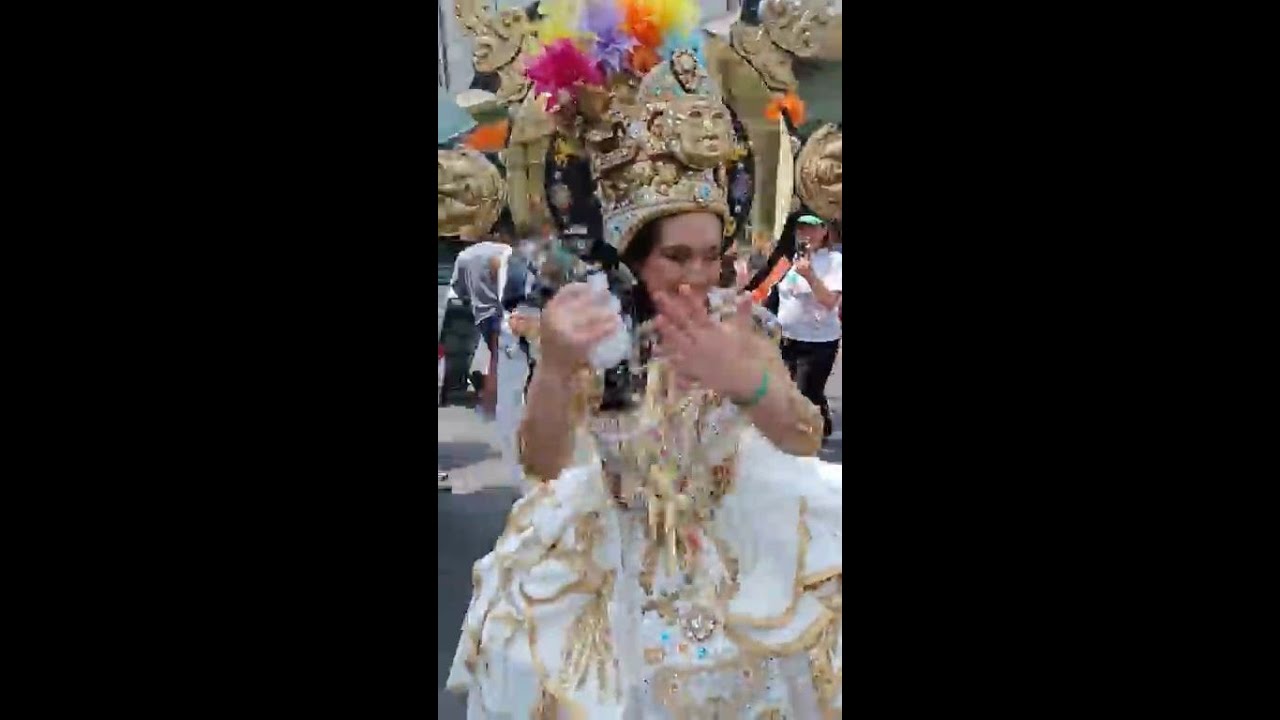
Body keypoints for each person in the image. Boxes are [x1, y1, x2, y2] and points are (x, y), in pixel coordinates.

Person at [446, 39, 842, 718]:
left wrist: (747, 382)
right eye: (676, 257)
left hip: (745, 537)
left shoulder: (737, 321)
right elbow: (543, 462)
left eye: (711, 255)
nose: (697, 275)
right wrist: (560, 368)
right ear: (632, 256)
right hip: (615, 548)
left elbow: (805, 437)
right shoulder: (593, 327)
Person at [777, 214, 843, 440]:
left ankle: (807, 440)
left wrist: (810, 275)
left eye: (813, 228)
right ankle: (819, 424)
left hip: (818, 342)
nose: (807, 234)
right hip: (787, 337)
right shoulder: (790, 259)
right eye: (802, 228)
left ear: (825, 231)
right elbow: (772, 292)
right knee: (790, 392)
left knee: (805, 393)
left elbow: (829, 301)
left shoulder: (835, 261)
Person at [449, 231, 512, 416]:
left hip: (482, 313)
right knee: (500, 357)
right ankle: (493, 399)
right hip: (506, 312)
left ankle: (489, 394)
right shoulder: (506, 251)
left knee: (495, 354)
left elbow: (458, 288)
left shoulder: (464, 255)